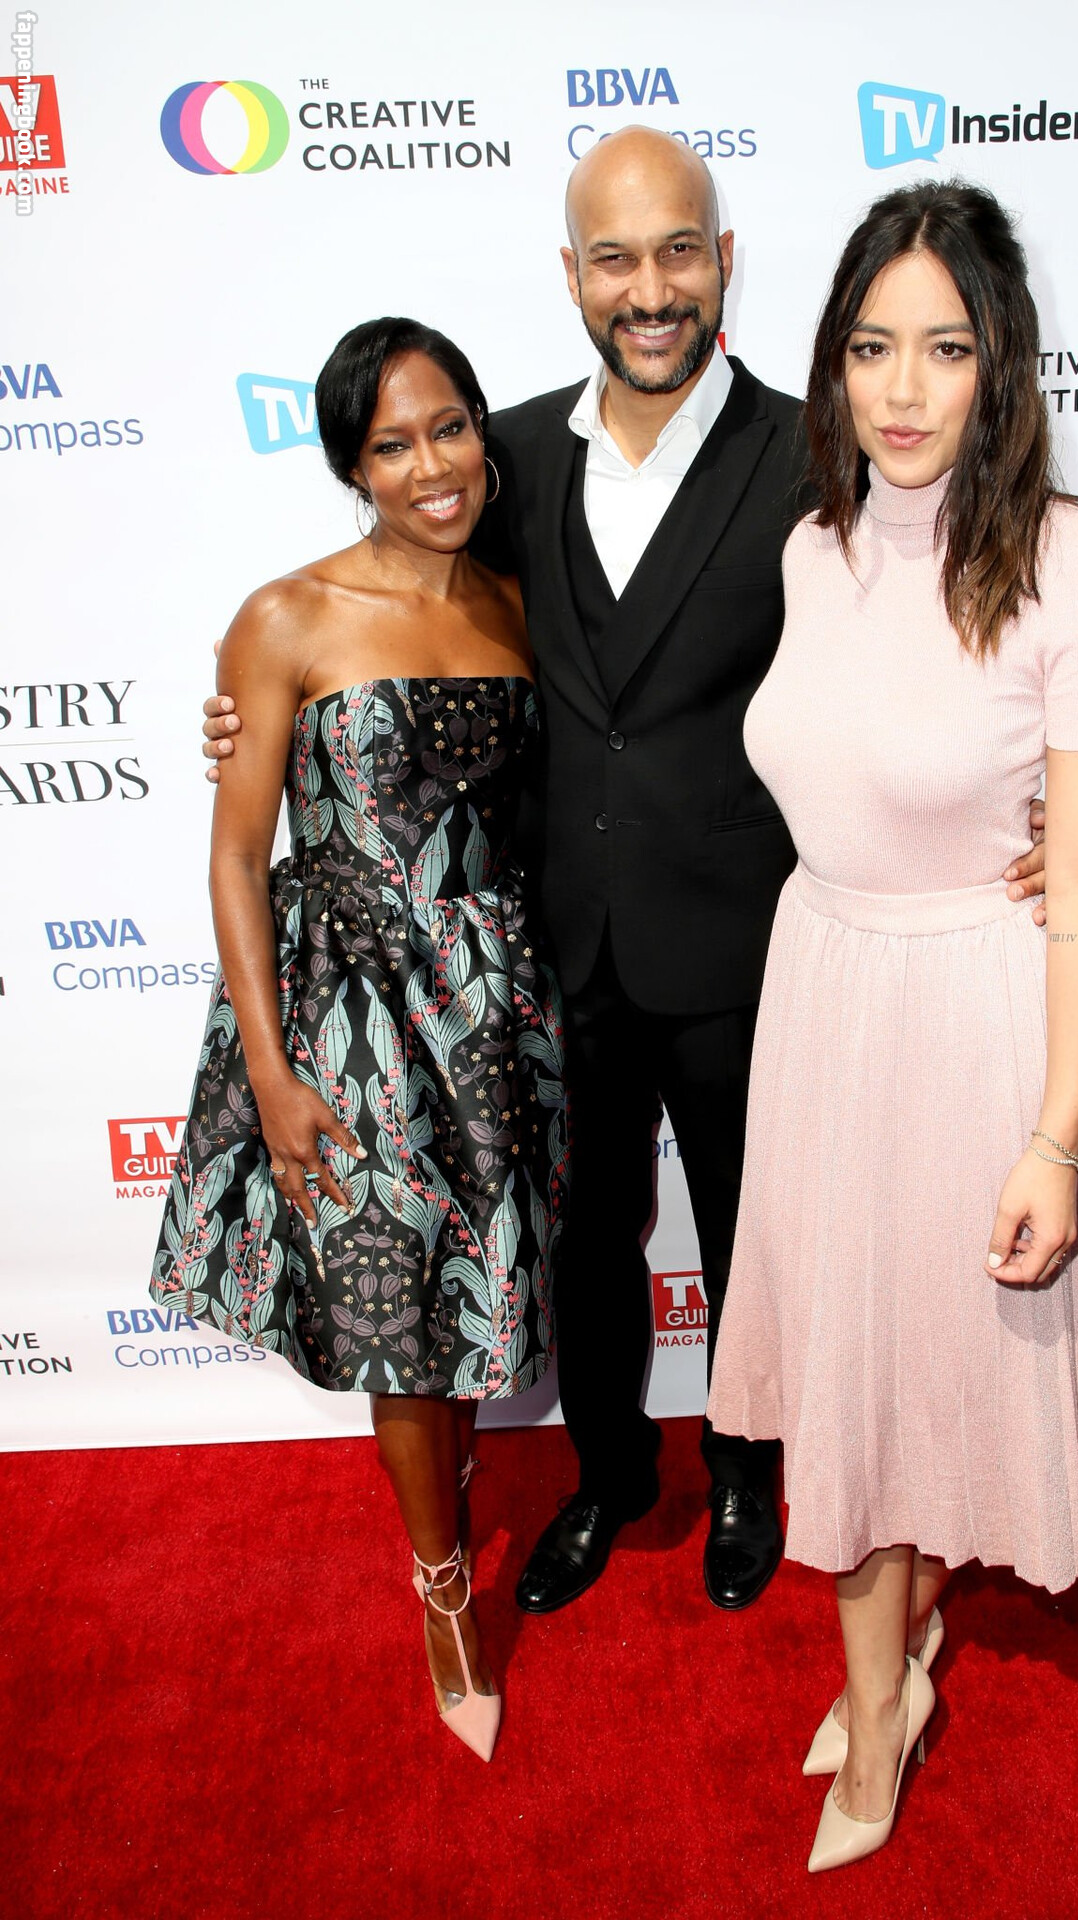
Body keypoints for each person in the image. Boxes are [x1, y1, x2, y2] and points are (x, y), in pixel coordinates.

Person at [202, 129, 1048, 1616]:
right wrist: (250, 714)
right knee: (588, 1242)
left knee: (749, 1232)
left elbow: (948, 608)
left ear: (723, 261)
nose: (648, 290)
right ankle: (607, 1474)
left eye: (676, 252)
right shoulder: (507, 456)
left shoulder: (816, 452)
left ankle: (744, 1471)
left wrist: (1039, 788)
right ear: (573, 275)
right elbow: (402, 616)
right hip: (541, 954)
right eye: (614, 258)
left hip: (746, 941)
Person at [707, 178, 1078, 1871]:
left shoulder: (1076, 563)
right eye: (872, 346)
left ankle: (880, 1709)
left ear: (1001, 364)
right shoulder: (813, 545)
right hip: (822, 996)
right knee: (850, 1368)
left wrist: (1057, 1139)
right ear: (833, 361)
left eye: (947, 349)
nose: (904, 389)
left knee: (909, 1372)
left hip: (974, 1027)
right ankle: (892, 1656)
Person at [154, 318, 568, 1763]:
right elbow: (236, 853)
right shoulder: (286, 618)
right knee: (398, 1316)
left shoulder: (520, 605)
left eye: (450, 428)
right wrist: (272, 1072)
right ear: (350, 465)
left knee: (475, 1295)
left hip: (495, 1009)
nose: (431, 465)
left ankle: (457, 1486)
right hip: (352, 1018)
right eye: (392, 444)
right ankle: (443, 1591)